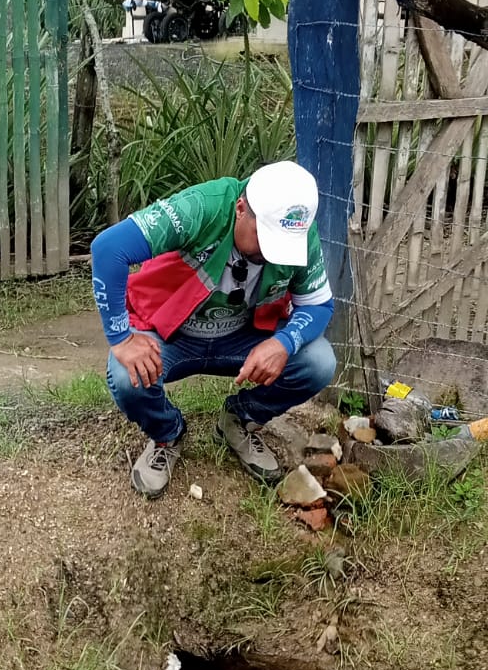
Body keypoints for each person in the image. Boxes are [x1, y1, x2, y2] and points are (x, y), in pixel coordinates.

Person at [90, 161, 336, 497]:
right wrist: (121, 338)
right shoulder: (201, 207)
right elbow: (109, 249)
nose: (271, 252)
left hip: (242, 339)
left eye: (281, 243)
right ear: (241, 209)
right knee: (125, 376)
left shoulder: (298, 231)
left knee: (318, 361)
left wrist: (284, 342)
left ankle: (238, 419)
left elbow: (318, 305)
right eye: (265, 237)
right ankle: (168, 433)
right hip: (171, 336)